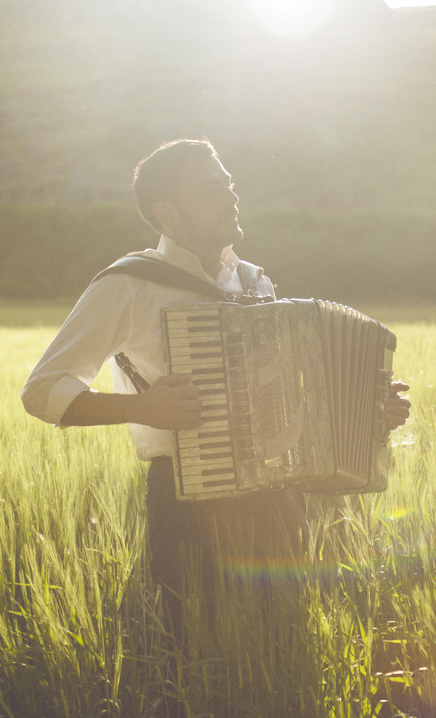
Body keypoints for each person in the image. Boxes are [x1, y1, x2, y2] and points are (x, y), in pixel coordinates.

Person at [21, 138, 411, 611]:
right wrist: (140, 409)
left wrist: (366, 410)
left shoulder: (253, 282)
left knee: (287, 653)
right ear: (168, 214)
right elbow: (42, 390)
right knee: (197, 659)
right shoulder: (127, 284)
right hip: (188, 509)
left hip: (281, 504)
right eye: (210, 189)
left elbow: (288, 403)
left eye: (228, 183)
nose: (231, 197)